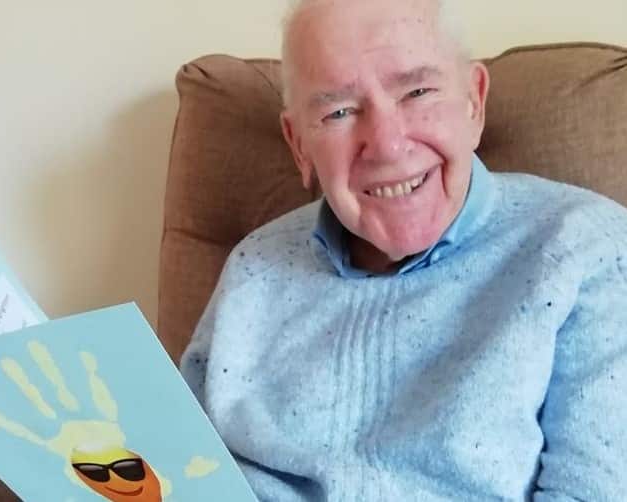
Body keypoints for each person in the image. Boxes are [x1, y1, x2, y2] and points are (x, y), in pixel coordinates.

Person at [180, 0, 627, 499]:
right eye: (339, 111)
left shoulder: (585, 247)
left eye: (417, 92)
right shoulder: (254, 266)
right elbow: (176, 463)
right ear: (299, 144)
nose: (387, 144)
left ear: (474, 103)